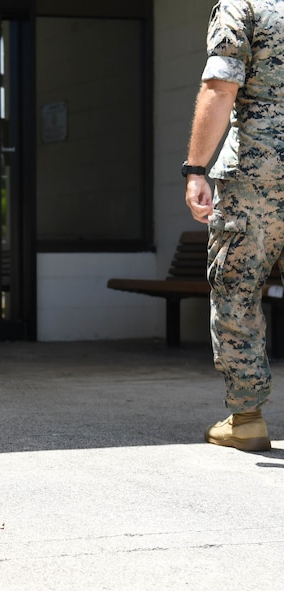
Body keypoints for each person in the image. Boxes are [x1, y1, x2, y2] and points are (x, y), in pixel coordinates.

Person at [184, 0, 284, 451]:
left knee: (237, 290)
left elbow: (221, 88)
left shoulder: (242, 7)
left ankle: (246, 419)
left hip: (258, 178)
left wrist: (195, 168)